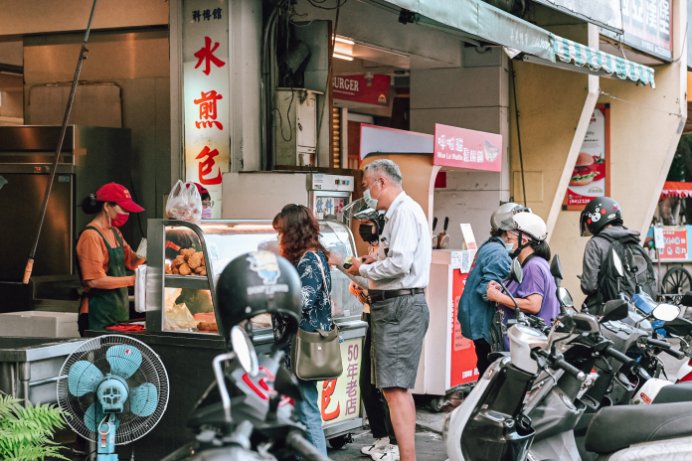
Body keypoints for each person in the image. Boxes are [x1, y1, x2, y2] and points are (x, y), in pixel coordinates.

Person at [346, 159, 430, 461]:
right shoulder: (393, 216)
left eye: (368, 186)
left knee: (395, 390)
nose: (368, 193)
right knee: (393, 390)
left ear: (381, 182)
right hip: (392, 306)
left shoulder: (404, 212)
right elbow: (387, 264)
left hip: (399, 306)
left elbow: (400, 264)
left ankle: (407, 457)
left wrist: (362, 266)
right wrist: (359, 264)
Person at [272, 203, 331, 457]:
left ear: (292, 232)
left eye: (281, 232)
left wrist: (271, 293)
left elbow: (302, 301)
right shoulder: (315, 256)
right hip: (304, 344)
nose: (278, 238)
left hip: (302, 347)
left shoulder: (308, 260)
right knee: (299, 409)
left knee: (306, 410)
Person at [457, 202, 529, 376]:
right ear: (508, 231)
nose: (524, 236)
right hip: (483, 322)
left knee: (484, 366)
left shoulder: (490, 246)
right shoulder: (499, 253)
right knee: (491, 371)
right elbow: (487, 289)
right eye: (520, 231)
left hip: (474, 318)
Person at [348, 213, 398, 460]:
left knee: (386, 385)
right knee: (366, 383)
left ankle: (394, 444)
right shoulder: (372, 248)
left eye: (368, 224)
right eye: (362, 225)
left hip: (386, 320)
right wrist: (362, 293)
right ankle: (381, 438)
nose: (364, 229)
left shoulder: (389, 250)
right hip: (370, 316)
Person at [76, 182, 145, 333]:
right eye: (123, 208)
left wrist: (149, 248)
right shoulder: (91, 236)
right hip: (96, 314)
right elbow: (94, 280)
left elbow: (131, 262)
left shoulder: (115, 232)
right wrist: (134, 280)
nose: (127, 213)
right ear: (107, 206)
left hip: (118, 312)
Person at [485, 212, 560, 346]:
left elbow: (533, 304)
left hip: (529, 347)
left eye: (509, 239)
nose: (506, 243)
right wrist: (503, 289)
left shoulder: (533, 266)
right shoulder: (532, 263)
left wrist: (497, 297)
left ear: (524, 241)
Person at [579, 196, 655, 307]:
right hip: (640, 308)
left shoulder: (595, 243)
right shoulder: (632, 239)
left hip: (610, 309)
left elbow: (589, 286)